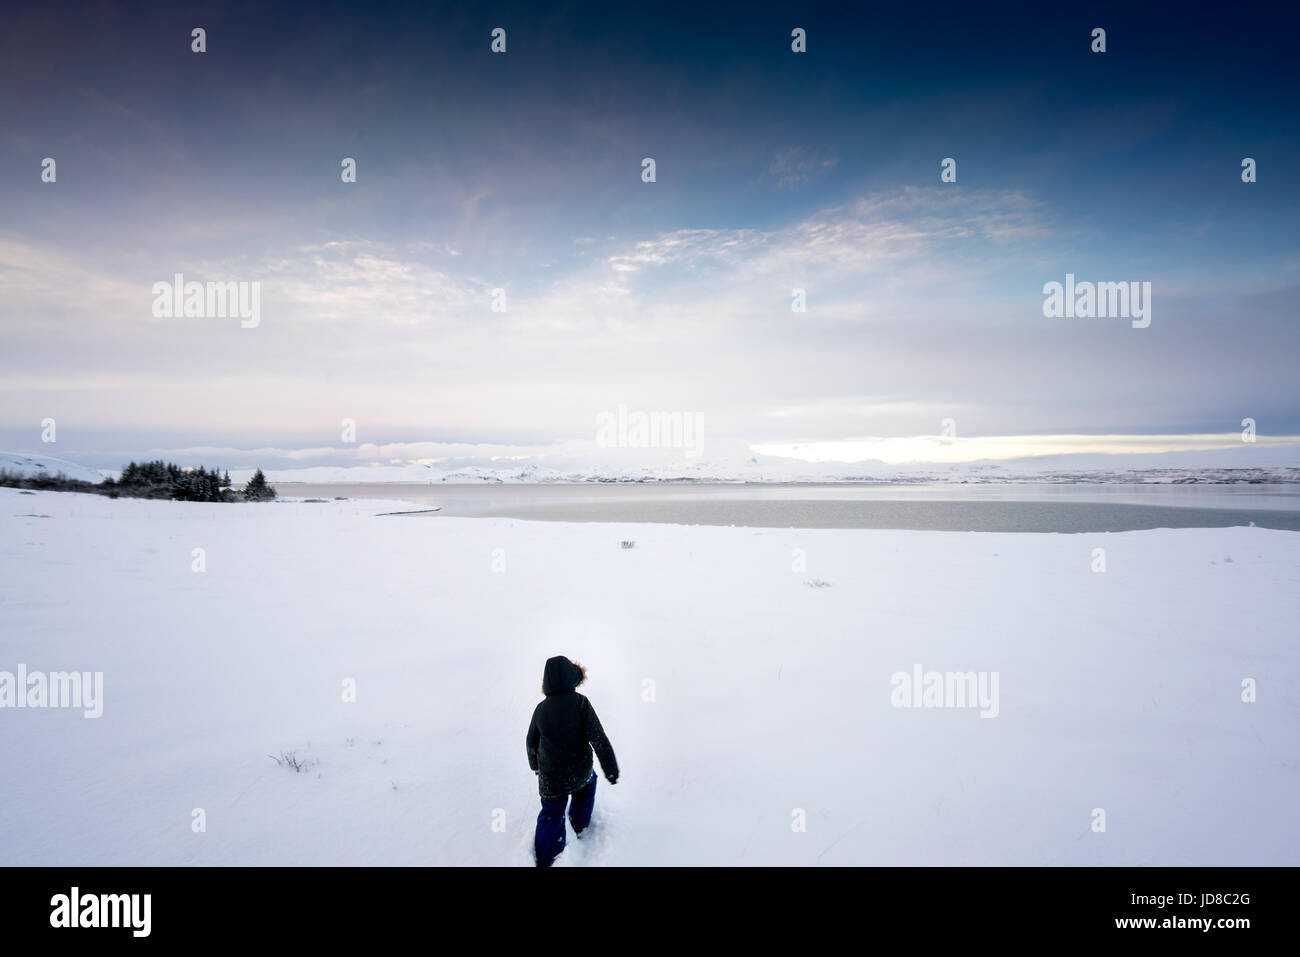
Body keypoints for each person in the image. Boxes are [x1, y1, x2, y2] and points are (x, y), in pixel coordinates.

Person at [526, 655, 619, 866]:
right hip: (580, 771)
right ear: (572, 679)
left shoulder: (541, 709)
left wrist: (536, 767)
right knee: (587, 787)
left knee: (551, 812)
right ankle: (579, 825)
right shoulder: (580, 703)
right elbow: (598, 738)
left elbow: (531, 742)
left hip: (551, 778)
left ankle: (546, 857)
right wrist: (610, 768)